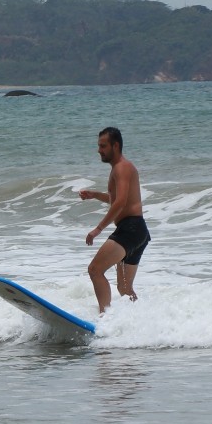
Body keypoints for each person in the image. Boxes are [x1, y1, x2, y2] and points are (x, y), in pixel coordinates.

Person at [79, 126, 148, 312]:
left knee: (95, 270)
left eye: (103, 146)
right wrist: (95, 195)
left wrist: (98, 229)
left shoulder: (122, 168)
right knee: (124, 288)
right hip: (138, 231)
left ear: (115, 146)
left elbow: (120, 203)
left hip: (130, 229)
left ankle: (105, 318)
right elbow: (117, 199)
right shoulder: (121, 168)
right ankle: (140, 322)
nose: (99, 150)